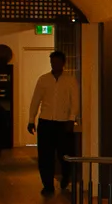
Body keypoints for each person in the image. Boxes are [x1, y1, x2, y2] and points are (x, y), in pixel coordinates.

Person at [27, 50, 80, 196]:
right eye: (52, 62)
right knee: (45, 155)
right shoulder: (43, 80)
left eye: (57, 62)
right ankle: (48, 185)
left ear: (63, 63)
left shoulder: (70, 80)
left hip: (63, 123)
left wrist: (71, 118)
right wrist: (31, 120)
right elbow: (35, 100)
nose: (54, 64)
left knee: (64, 154)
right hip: (46, 122)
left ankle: (65, 178)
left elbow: (75, 101)